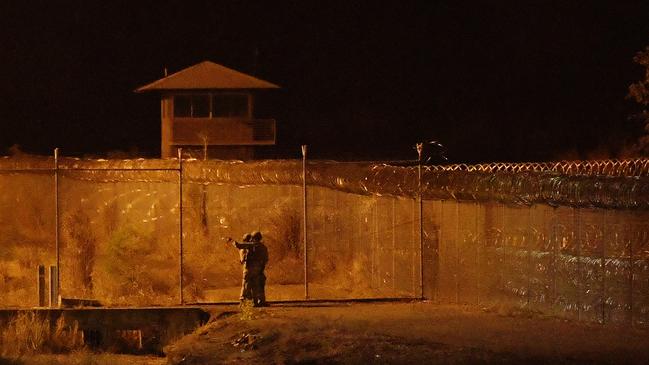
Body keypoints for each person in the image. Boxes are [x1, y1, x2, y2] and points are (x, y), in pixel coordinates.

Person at [226, 231, 268, 307]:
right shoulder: (263, 247)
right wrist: (261, 268)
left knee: (246, 285)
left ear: (253, 238)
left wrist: (231, 240)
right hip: (258, 269)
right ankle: (255, 302)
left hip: (249, 268)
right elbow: (265, 259)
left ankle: (243, 301)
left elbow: (238, 245)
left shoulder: (251, 245)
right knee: (255, 285)